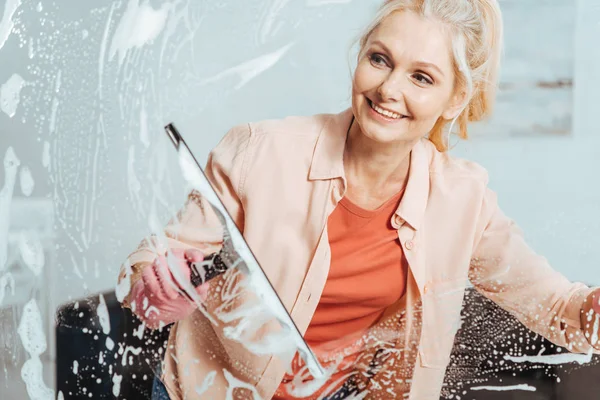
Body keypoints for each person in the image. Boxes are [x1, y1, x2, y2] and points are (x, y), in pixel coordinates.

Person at [117, 0, 600, 399]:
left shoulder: (463, 201)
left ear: (454, 101)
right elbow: (151, 265)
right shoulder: (259, 151)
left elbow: (563, 310)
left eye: (422, 78)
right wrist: (157, 284)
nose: (388, 89)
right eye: (379, 59)